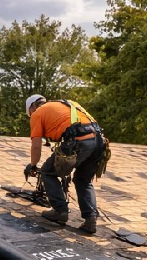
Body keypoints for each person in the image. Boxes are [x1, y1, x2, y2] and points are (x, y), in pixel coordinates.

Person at [23, 94, 108, 235]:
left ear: (32, 107)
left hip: (78, 140)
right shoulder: (67, 104)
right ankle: (90, 219)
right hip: (99, 142)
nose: (31, 117)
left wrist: (33, 165)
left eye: (29, 114)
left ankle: (60, 211)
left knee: (47, 172)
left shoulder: (37, 113)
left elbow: (36, 146)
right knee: (83, 180)